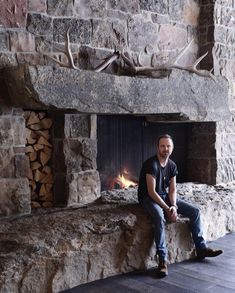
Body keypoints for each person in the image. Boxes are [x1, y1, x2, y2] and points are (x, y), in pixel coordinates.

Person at [138, 134, 223, 277]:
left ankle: (201, 248)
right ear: (158, 147)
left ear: (172, 148)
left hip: (163, 195)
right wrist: (167, 208)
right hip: (148, 198)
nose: (165, 149)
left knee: (195, 211)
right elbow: (152, 192)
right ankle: (162, 261)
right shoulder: (150, 164)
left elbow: (172, 190)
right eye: (162, 146)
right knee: (159, 217)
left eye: (168, 146)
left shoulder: (172, 165)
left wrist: (174, 206)